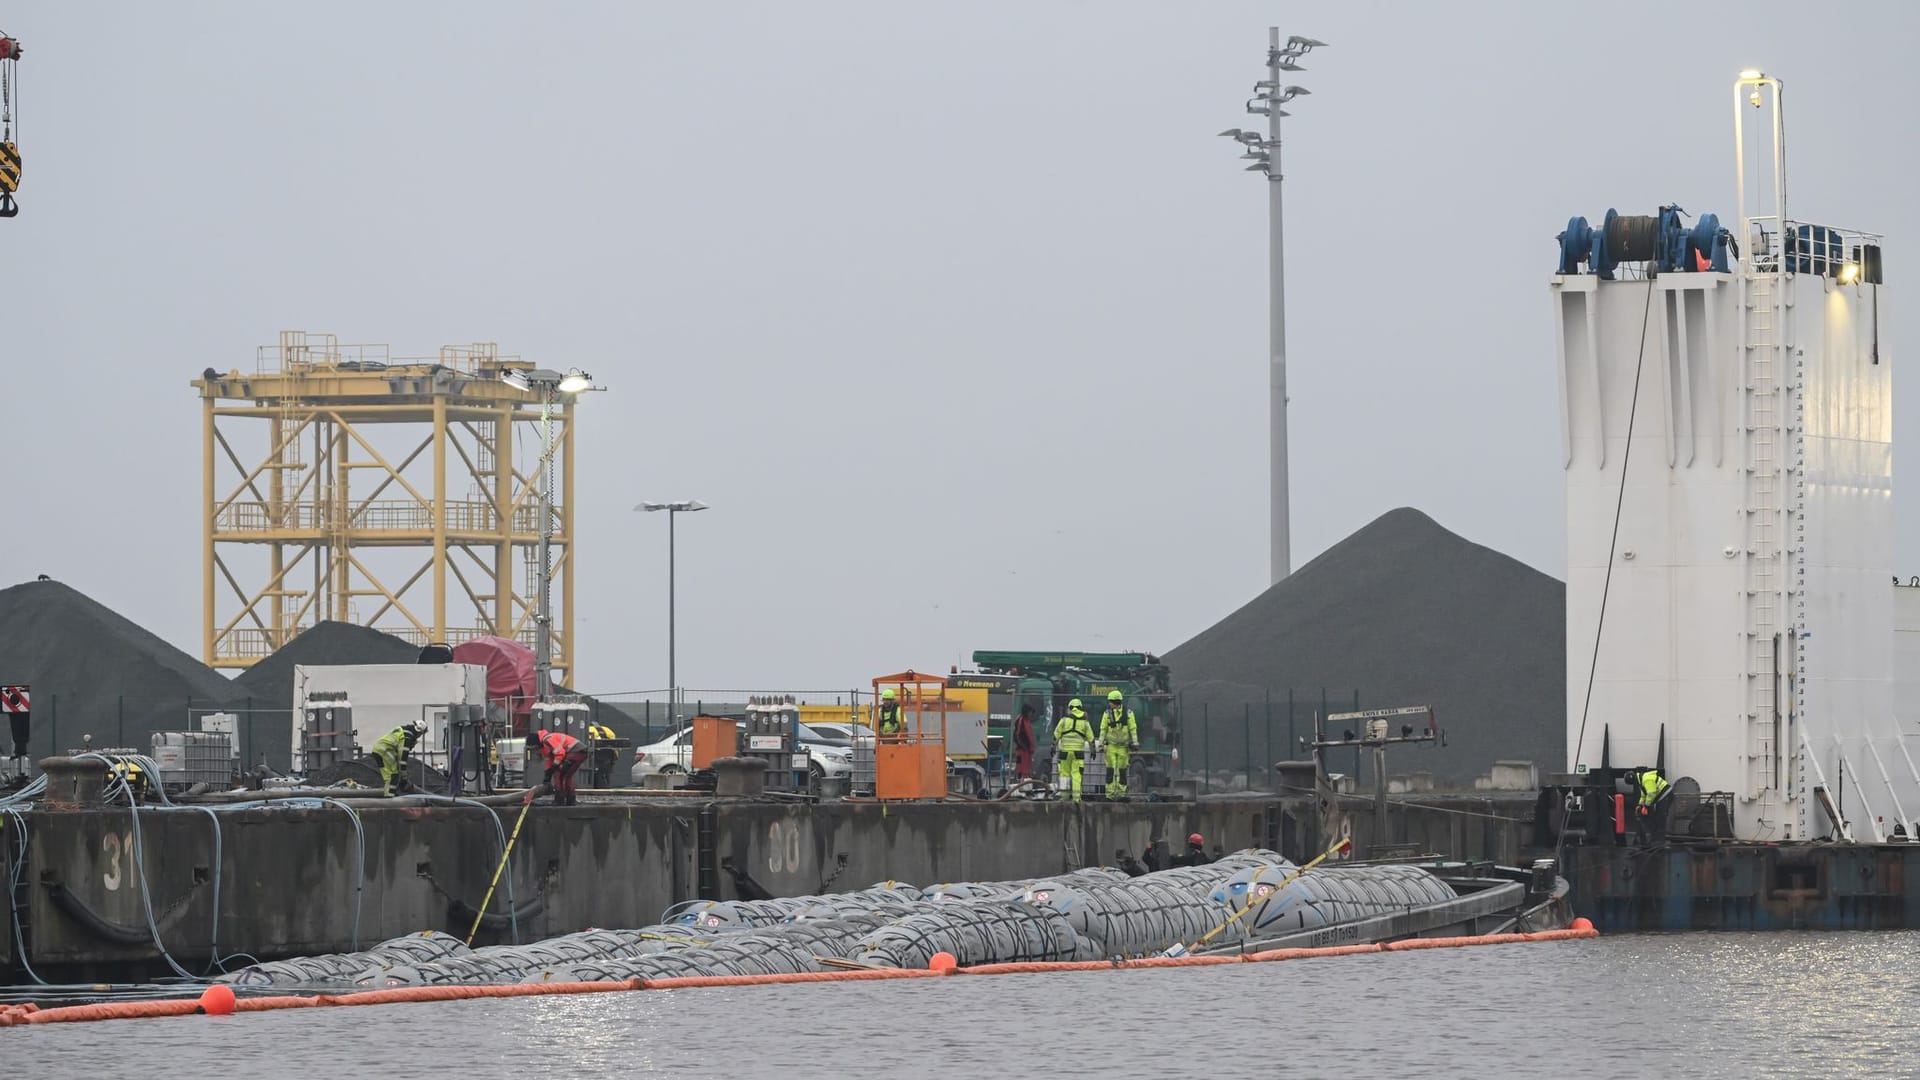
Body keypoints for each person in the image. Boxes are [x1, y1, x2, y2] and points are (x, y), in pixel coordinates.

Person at [1098, 690, 1140, 801]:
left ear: (1115, 702)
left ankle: (1121, 795)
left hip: (1123, 747)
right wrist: (1101, 744)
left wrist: (1135, 743)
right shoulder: (1107, 714)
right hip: (1111, 746)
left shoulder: (1128, 714)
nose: (1109, 704)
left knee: (1122, 772)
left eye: (1110, 702)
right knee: (1110, 771)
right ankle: (1110, 795)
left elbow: (1133, 729)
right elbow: (1103, 729)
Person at [1050, 698, 1095, 801]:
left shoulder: (1064, 720)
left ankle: (1064, 796)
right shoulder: (1085, 723)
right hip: (1078, 753)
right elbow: (1091, 738)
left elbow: (1056, 735)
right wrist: (1093, 751)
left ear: (1070, 708)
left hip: (1064, 752)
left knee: (1064, 774)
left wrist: (1053, 747)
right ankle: (1076, 798)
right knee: (1076, 775)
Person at [532, 727, 589, 806]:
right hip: (579, 751)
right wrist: (548, 773)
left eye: (534, 748)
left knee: (560, 775)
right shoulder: (544, 745)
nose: (535, 750)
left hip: (576, 751)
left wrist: (554, 766)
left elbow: (560, 753)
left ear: (537, 743)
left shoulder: (548, 739)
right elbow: (549, 759)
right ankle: (569, 800)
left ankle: (561, 800)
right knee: (564, 775)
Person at [371, 720, 426, 796]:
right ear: (420, 732)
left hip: (378, 749)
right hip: (385, 750)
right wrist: (404, 777)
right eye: (421, 734)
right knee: (393, 775)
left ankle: (389, 795)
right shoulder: (407, 737)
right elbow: (402, 759)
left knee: (389, 775)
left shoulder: (403, 730)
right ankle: (390, 799)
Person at [1634, 767, 1673, 846]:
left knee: (1661, 817)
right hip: (1662, 797)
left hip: (1666, 795)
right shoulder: (1641, 781)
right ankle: (1656, 839)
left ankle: (1660, 842)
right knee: (1657, 817)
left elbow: (1651, 793)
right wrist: (1640, 805)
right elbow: (1643, 795)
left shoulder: (1646, 779)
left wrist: (1646, 806)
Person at [1011, 703, 1037, 780]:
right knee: (1025, 767)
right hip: (1024, 749)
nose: (1031, 716)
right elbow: (1029, 736)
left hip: (1020, 748)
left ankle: (1018, 780)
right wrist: (1031, 747)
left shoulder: (1019, 719)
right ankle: (1025, 784)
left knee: (1019, 766)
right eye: (1031, 713)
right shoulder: (1024, 721)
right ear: (1027, 712)